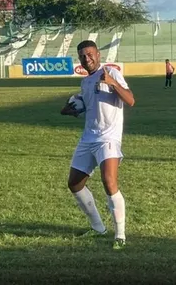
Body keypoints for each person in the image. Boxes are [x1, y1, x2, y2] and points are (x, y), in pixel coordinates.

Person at [61, 40, 135, 250]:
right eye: (83, 56)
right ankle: (98, 227)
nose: (87, 59)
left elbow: (130, 100)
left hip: (108, 138)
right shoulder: (84, 83)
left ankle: (120, 235)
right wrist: (71, 109)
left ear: (98, 55)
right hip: (88, 138)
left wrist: (112, 82)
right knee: (75, 184)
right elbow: (87, 105)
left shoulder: (110, 72)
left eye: (90, 54)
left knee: (109, 181)